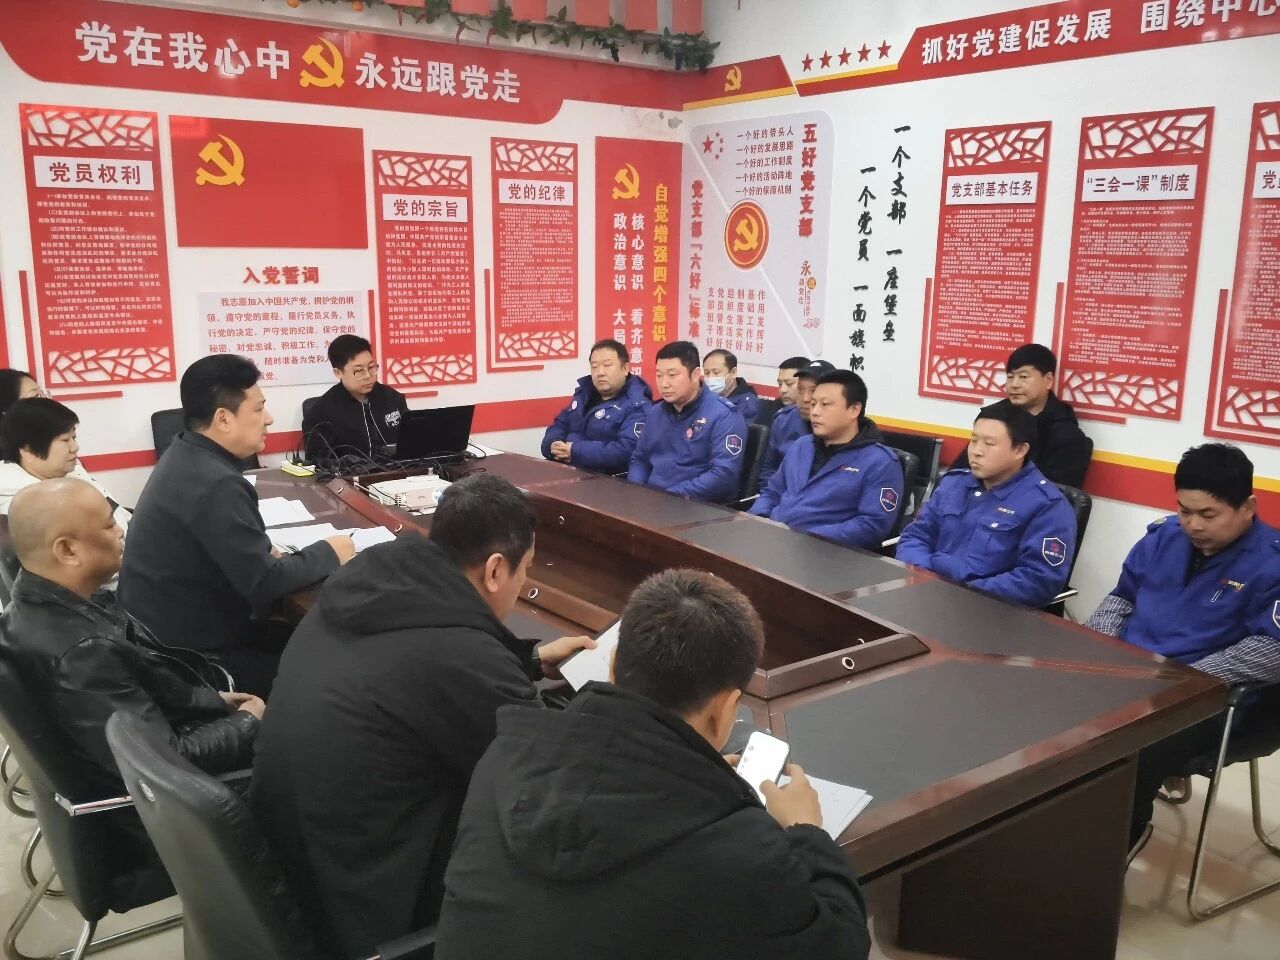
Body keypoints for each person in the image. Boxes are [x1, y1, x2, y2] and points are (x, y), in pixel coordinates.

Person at [434, 568, 871, 960]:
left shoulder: (506, 755)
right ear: (725, 710)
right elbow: (841, 944)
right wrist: (807, 832)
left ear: (611, 666)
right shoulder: (740, 852)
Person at [252, 473, 594, 959]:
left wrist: (529, 660)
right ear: (496, 570)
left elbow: (425, 678)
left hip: (293, 873)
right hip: (367, 908)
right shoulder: (461, 657)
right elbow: (553, 797)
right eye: (525, 572)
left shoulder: (370, 584)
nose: (522, 586)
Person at [0, 478, 261, 788]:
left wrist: (209, 700)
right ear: (67, 550)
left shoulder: (33, 604)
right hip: (172, 801)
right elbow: (166, 763)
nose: (120, 531)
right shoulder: (83, 652)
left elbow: (139, 688)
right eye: (109, 524)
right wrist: (249, 722)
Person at [119, 356, 353, 697]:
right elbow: (264, 583)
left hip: (167, 639)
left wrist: (261, 558)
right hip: (196, 663)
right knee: (341, 669)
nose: (268, 419)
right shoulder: (216, 482)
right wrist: (330, 551)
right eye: (258, 409)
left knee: (308, 636)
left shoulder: (184, 453)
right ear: (224, 419)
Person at [1084, 444, 1280, 847]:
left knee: (1127, 751)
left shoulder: (1272, 562)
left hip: (1208, 698)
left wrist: (1181, 680)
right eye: (1184, 510)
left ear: (1247, 507)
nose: (1193, 524)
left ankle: (1110, 851)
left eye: (1208, 514)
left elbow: (1270, 651)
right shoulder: (1163, 538)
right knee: (1049, 720)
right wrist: (1098, 648)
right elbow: (1122, 597)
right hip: (1130, 675)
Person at [896, 403, 1076, 608]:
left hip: (986, 608)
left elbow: (1037, 580)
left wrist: (965, 594)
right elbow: (916, 536)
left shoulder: (1048, 506)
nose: (976, 451)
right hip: (927, 593)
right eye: (973, 441)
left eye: (989, 444)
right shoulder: (954, 483)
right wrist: (924, 575)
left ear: (1020, 450)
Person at [751, 370, 903, 551]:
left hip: (826, 553)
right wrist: (757, 519)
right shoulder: (802, 445)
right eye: (813, 404)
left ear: (854, 409)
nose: (814, 412)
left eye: (825, 405)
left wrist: (808, 537)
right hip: (774, 540)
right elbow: (772, 492)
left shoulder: (881, 463)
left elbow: (871, 525)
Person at [950, 344, 1092, 488]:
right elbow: (958, 472)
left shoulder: (1066, 435)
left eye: (1023, 376)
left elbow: (1054, 493)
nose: (1014, 384)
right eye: (1010, 377)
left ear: (1048, 380)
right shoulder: (992, 418)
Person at [628, 341, 747, 504]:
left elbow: (723, 474)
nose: (664, 384)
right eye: (659, 375)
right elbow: (640, 459)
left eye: (672, 375)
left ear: (695, 374)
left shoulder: (724, 414)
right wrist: (636, 492)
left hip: (696, 505)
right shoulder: (655, 412)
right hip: (652, 501)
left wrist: (669, 497)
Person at [0, 398, 131, 533]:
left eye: (74, 437)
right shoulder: (19, 507)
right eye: (65, 440)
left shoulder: (74, 473)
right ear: (28, 450)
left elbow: (120, 514)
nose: (75, 447)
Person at [540, 338, 652, 474]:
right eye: (594, 366)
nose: (600, 372)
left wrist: (575, 451)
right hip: (569, 471)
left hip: (606, 479)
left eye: (607, 365)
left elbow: (626, 450)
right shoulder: (584, 394)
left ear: (625, 368)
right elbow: (560, 424)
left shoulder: (638, 405)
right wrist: (553, 444)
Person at [302, 335, 409, 463]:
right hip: (352, 474)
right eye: (359, 371)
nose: (368, 376)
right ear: (338, 373)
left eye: (371, 368)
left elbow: (412, 439)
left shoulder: (392, 397)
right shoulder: (321, 412)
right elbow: (316, 461)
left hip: (399, 471)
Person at [757, 359, 834, 492]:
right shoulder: (783, 421)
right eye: (800, 390)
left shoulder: (843, 430)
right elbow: (768, 471)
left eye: (813, 391)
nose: (805, 399)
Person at [702, 348, 762, 424]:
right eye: (707, 373)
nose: (710, 377)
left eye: (716, 372)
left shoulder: (748, 404)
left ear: (733, 372)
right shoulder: (703, 397)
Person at [753, 355, 810, 426]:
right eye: (780, 384)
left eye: (789, 384)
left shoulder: (814, 414)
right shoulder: (768, 411)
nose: (783, 390)